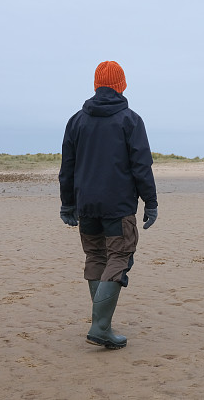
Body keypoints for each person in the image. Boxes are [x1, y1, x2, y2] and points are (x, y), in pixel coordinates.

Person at [58, 60, 158, 349]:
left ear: (96, 85)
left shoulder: (77, 120)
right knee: (119, 257)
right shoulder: (130, 120)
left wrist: (68, 204)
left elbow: (68, 167)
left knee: (96, 257)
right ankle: (101, 326)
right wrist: (150, 202)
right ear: (121, 85)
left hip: (86, 205)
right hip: (117, 207)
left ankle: (103, 324)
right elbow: (142, 166)